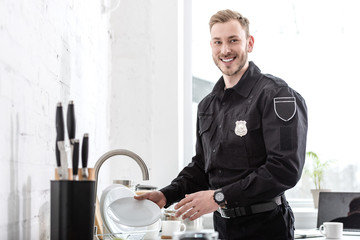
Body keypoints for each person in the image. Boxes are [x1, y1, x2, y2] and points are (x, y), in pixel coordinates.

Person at [135, 9, 308, 239]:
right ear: (212, 47)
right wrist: (166, 195)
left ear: (249, 43)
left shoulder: (277, 95)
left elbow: (285, 170)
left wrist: (219, 197)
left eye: (233, 40)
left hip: (267, 228)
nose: (225, 50)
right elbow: (201, 167)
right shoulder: (207, 105)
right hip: (223, 229)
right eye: (218, 42)